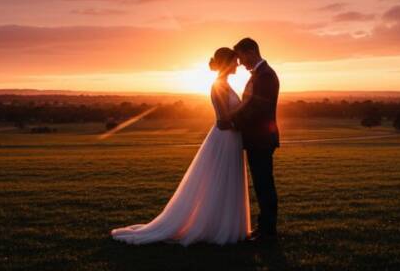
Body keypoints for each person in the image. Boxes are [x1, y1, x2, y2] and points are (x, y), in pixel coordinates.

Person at [111, 47, 251, 245]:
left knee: (227, 182)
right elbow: (222, 121)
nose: (238, 65)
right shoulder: (218, 85)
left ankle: (223, 225)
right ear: (227, 63)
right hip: (224, 139)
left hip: (231, 139)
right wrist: (244, 114)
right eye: (235, 61)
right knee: (220, 182)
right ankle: (217, 228)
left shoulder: (225, 84)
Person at [221, 37, 280, 240]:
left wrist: (234, 123)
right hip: (258, 138)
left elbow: (258, 108)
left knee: (264, 184)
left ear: (251, 52)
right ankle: (265, 228)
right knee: (262, 183)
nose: (241, 63)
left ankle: (267, 231)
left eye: (242, 57)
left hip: (261, 138)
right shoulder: (260, 74)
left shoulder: (265, 76)